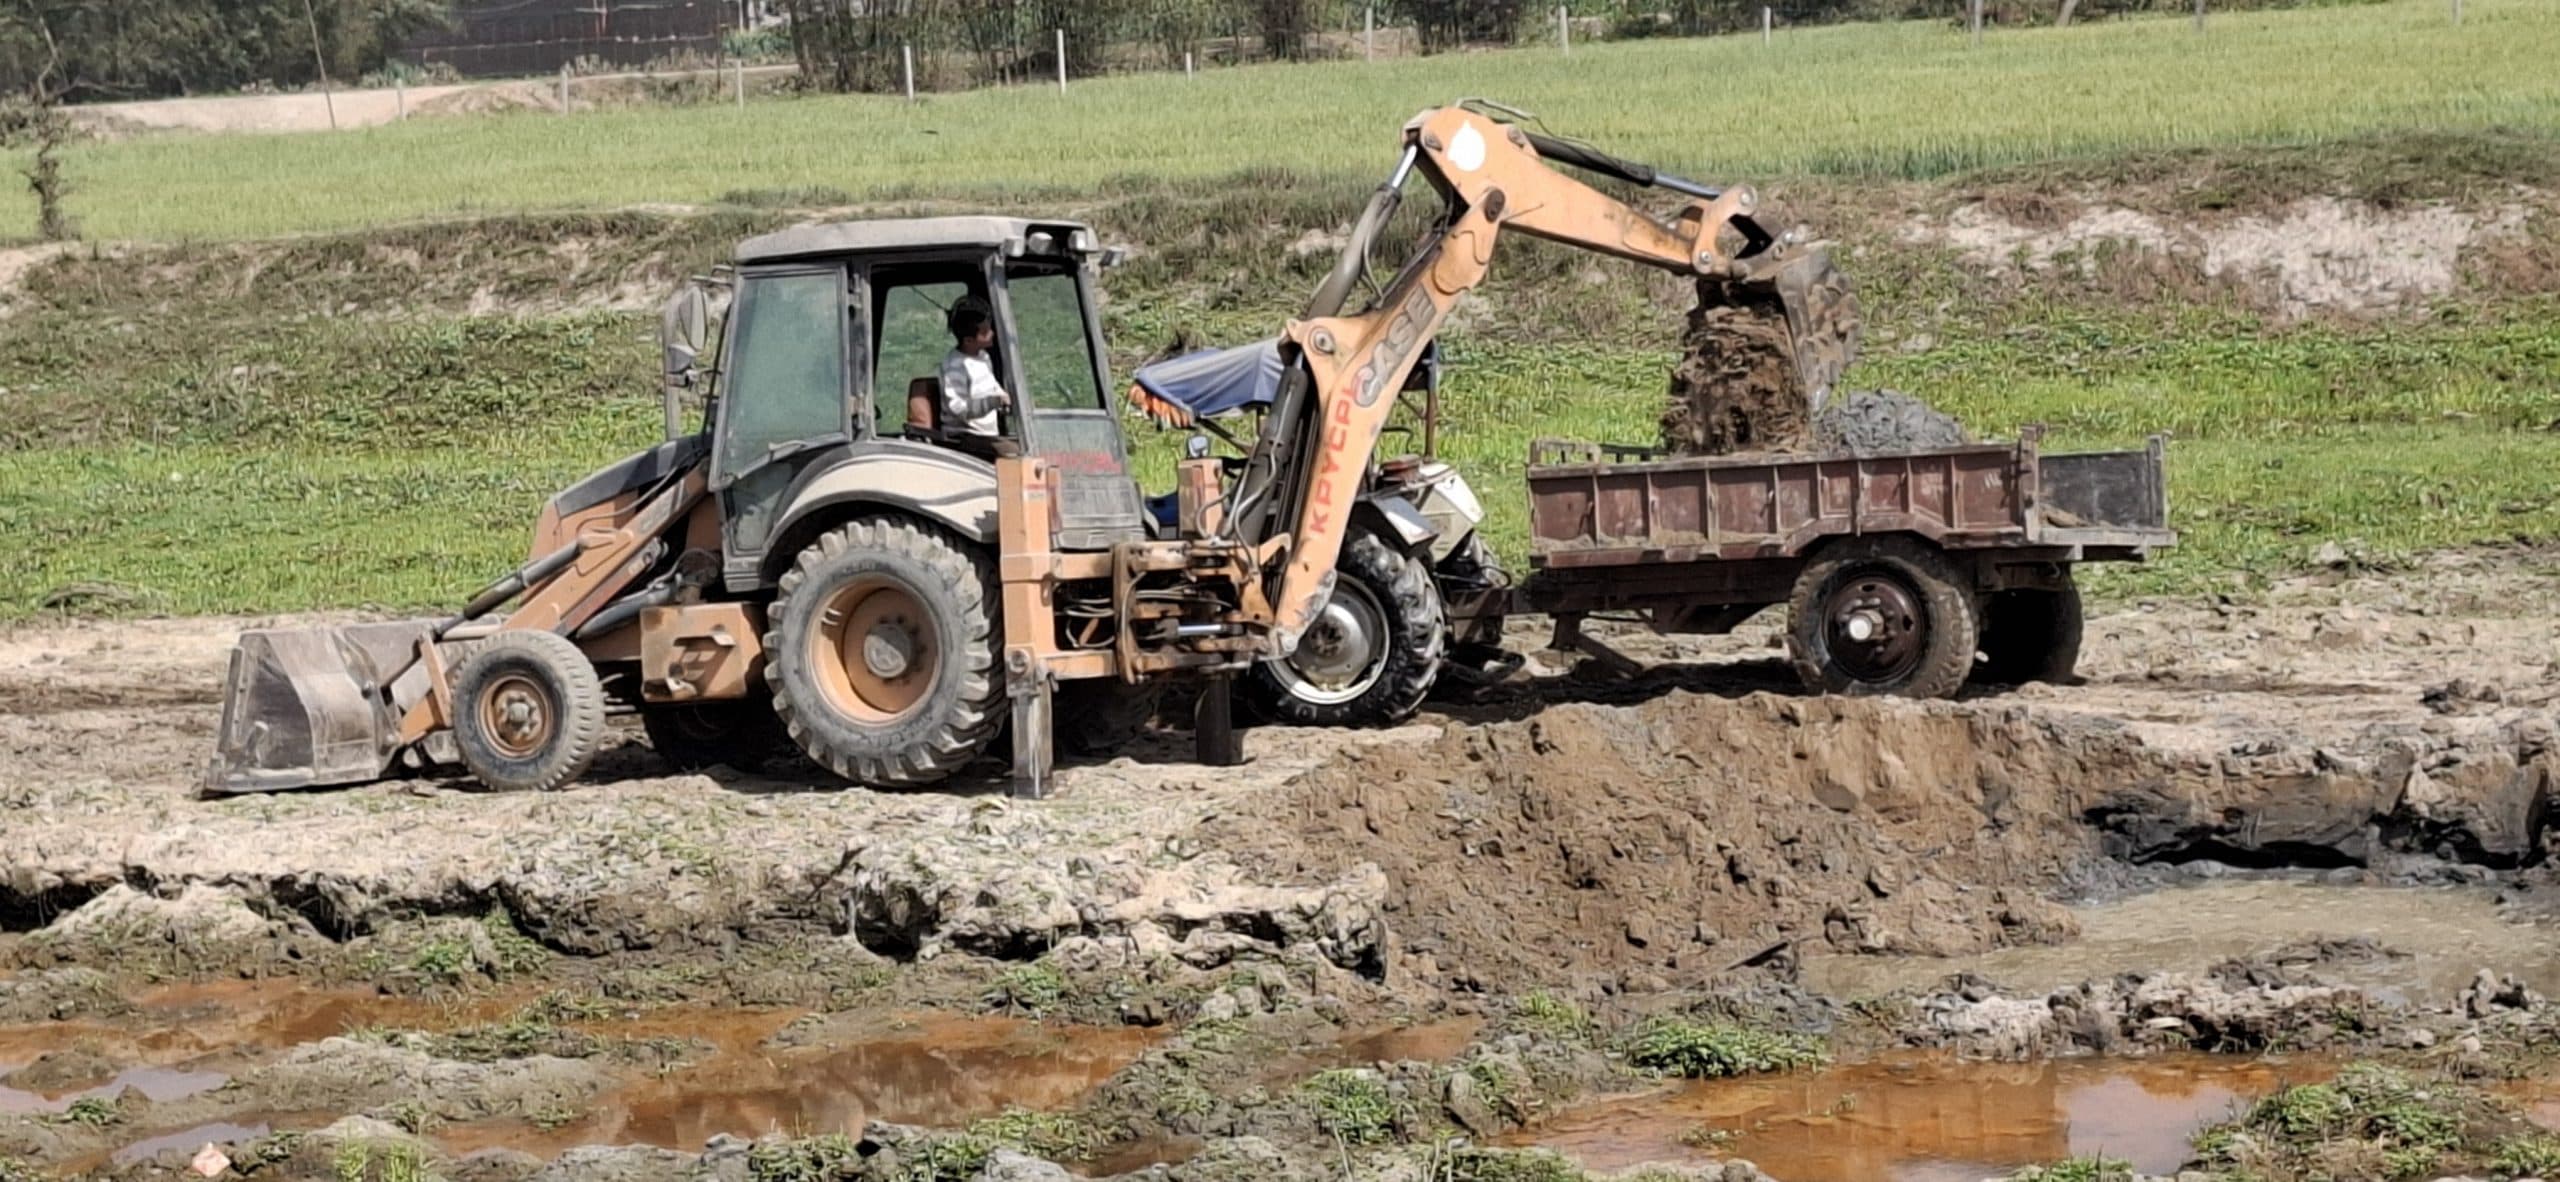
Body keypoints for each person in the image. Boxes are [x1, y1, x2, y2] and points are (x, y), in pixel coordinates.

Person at [938, 302, 1011, 442]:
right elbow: (958, 408)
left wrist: (1003, 397)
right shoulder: (955, 366)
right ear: (969, 340)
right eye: (985, 332)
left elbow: (992, 386)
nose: (992, 333)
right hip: (965, 437)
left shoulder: (983, 356)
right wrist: (993, 402)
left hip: (987, 435)